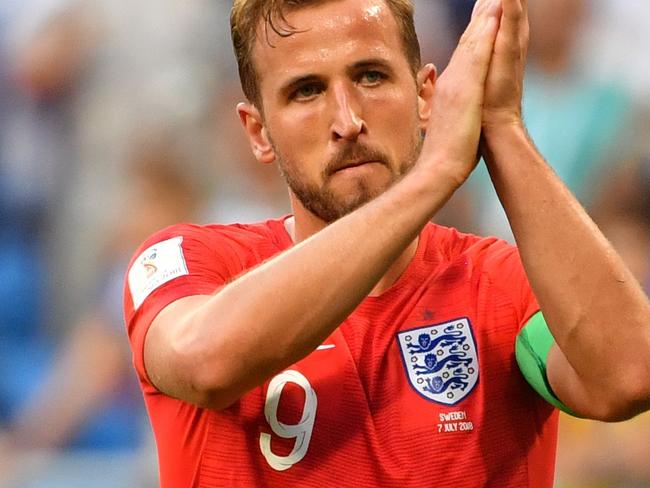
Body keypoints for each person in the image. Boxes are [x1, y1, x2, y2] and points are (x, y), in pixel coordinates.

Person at [123, 0, 650, 486]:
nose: (348, 121)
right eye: (306, 90)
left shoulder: (501, 286)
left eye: (371, 77)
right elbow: (206, 362)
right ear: (258, 132)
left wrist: (503, 126)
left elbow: (627, 377)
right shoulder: (190, 262)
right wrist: (436, 172)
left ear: (427, 97)